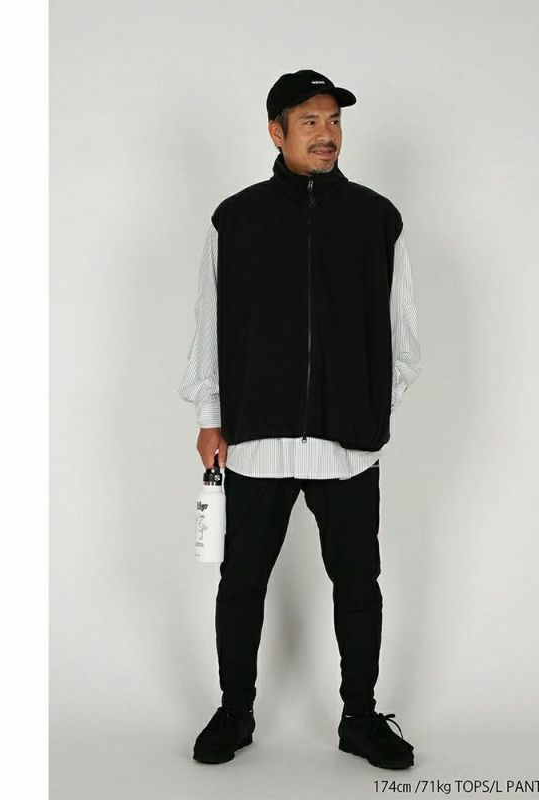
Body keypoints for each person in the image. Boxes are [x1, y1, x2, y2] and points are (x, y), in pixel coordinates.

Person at [178, 69, 422, 769]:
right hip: (255, 441)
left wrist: (368, 402)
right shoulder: (236, 219)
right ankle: (235, 711)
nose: (326, 133)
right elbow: (209, 322)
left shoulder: (377, 218)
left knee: (358, 586)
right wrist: (210, 414)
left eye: (334, 120)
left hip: (347, 446)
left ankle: (360, 718)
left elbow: (403, 331)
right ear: (276, 131)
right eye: (309, 120)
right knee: (240, 583)